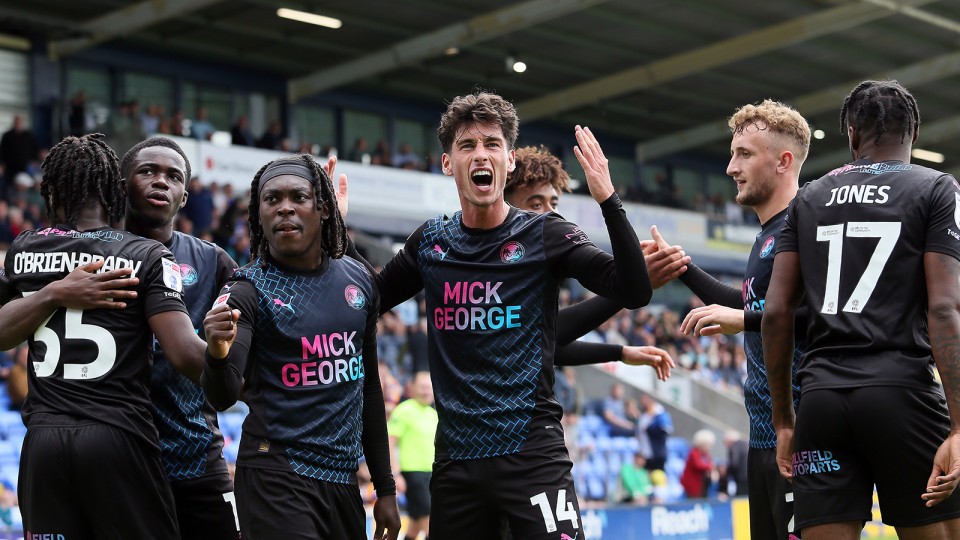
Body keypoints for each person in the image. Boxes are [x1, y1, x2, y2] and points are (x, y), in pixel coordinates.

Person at [346, 91, 653, 539]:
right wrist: (338, 233)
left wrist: (608, 199)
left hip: (532, 454)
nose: (480, 154)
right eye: (467, 146)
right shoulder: (431, 242)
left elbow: (634, 290)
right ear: (449, 163)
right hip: (456, 462)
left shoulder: (546, 234)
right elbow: (365, 301)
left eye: (491, 144)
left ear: (509, 161)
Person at [763, 80, 960, 540]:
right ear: (913, 133)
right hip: (901, 393)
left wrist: (785, 421)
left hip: (821, 401)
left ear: (852, 135)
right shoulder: (935, 188)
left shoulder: (808, 197)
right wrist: (959, 427)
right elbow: (945, 309)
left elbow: (775, 312)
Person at [0, 133, 206, 538]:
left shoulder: (23, 249)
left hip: (43, 442)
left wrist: (51, 292)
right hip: (118, 437)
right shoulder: (145, 254)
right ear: (117, 192)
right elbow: (184, 355)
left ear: (52, 190)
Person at [201, 154, 400, 539]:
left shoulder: (358, 280)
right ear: (258, 215)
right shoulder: (245, 290)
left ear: (323, 209)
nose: (285, 207)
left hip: (342, 483)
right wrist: (217, 350)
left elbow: (369, 389)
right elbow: (222, 395)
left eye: (299, 197)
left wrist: (385, 488)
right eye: (271, 200)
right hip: (275, 475)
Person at [646, 99, 810, 538]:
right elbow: (748, 302)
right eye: (732, 153)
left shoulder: (808, 226)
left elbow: (816, 318)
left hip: (801, 435)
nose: (730, 167)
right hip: (762, 437)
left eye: (745, 154)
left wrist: (746, 318)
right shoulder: (767, 235)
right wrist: (679, 266)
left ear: (783, 161)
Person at [120, 137, 241, 539]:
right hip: (121, 454)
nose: (161, 182)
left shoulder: (213, 260)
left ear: (184, 197)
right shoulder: (93, 251)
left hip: (195, 452)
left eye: (173, 177)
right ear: (123, 184)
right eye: (148, 171)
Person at [388, 372, 438, 540]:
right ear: (412, 387)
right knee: (432, 522)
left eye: (430, 387)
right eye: (423, 387)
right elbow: (389, 442)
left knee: (415, 526)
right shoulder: (404, 410)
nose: (426, 391)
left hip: (433, 473)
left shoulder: (433, 414)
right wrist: (395, 473)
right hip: (413, 474)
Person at [680, 429, 716, 499]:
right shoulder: (694, 453)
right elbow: (699, 465)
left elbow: (710, 463)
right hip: (692, 484)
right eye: (708, 445)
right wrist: (710, 467)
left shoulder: (706, 454)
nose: (709, 447)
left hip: (703, 485)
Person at [723, 430, 749, 497]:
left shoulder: (735, 447)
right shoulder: (745, 444)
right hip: (749, 475)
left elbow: (734, 463)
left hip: (741, 477)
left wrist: (727, 471)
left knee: (741, 496)